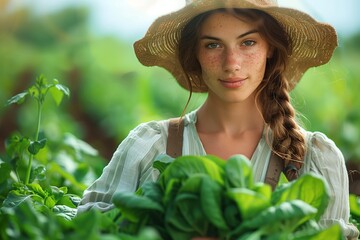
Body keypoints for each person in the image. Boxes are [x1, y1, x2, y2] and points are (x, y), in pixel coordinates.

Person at [78, 0, 359, 239]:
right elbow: (93, 226)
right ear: (195, 54)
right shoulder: (148, 147)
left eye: (248, 42)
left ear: (270, 48)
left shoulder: (317, 161)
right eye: (213, 45)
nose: (231, 63)